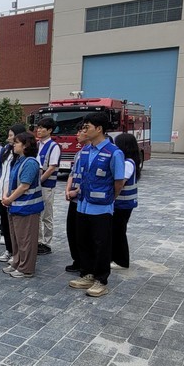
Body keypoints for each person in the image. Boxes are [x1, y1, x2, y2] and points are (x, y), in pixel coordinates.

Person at [67, 112, 125, 297]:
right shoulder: (84, 151)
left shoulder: (113, 153)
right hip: (82, 204)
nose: (83, 130)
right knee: (83, 241)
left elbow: (118, 181)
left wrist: (110, 198)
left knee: (101, 244)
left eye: (87, 127)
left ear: (99, 129)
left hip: (101, 207)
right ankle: (87, 273)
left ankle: (101, 280)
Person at [1, 131, 44, 278]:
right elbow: (12, 181)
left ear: (25, 145)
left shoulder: (30, 162)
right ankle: (17, 262)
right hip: (16, 206)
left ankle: (26, 268)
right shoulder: (19, 160)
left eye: (17, 142)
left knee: (26, 239)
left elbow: (24, 186)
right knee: (17, 238)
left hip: (27, 207)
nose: (14, 144)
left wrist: (9, 199)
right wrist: (7, 196)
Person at [0, 124, 27, 263]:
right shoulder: (6, 150)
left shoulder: (21, 154)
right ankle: (9, 250)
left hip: (12, 194)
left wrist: (10, 194)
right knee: (5, 223)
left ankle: (16, 253)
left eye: (11, 135)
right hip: (1, 192)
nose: (9, 138)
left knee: (14, 226)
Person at [111, 133, 141, 269]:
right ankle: (117, 258)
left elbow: (120, 183)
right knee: (117, 231)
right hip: (124, 203)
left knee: (119, 232)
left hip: (122, 204)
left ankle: (121, 261)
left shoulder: (128, 163)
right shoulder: (130, 161)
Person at [64, 125, 89, 273]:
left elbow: (89, 179)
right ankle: (77, 260)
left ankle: (84, 263)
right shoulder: (79, 153)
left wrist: (76, 191)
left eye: (81, 131)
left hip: (83, 199)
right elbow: (72, 173)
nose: (77, 134)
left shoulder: (92, 153)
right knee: (71, 230)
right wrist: (68, 189)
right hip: (73, 198)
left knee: (82, 233)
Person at [34, 117, 61, 255]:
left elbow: (51, 168)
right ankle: (37, 241)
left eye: (42, 128)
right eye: (38, 127)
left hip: (46, 185)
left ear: (50, 130)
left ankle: (47, 242)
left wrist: (39, 181)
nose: (38, 130)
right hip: (37, 185)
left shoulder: (53, 146)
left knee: (47, 215)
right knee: (37, 214)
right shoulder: (37, 145)